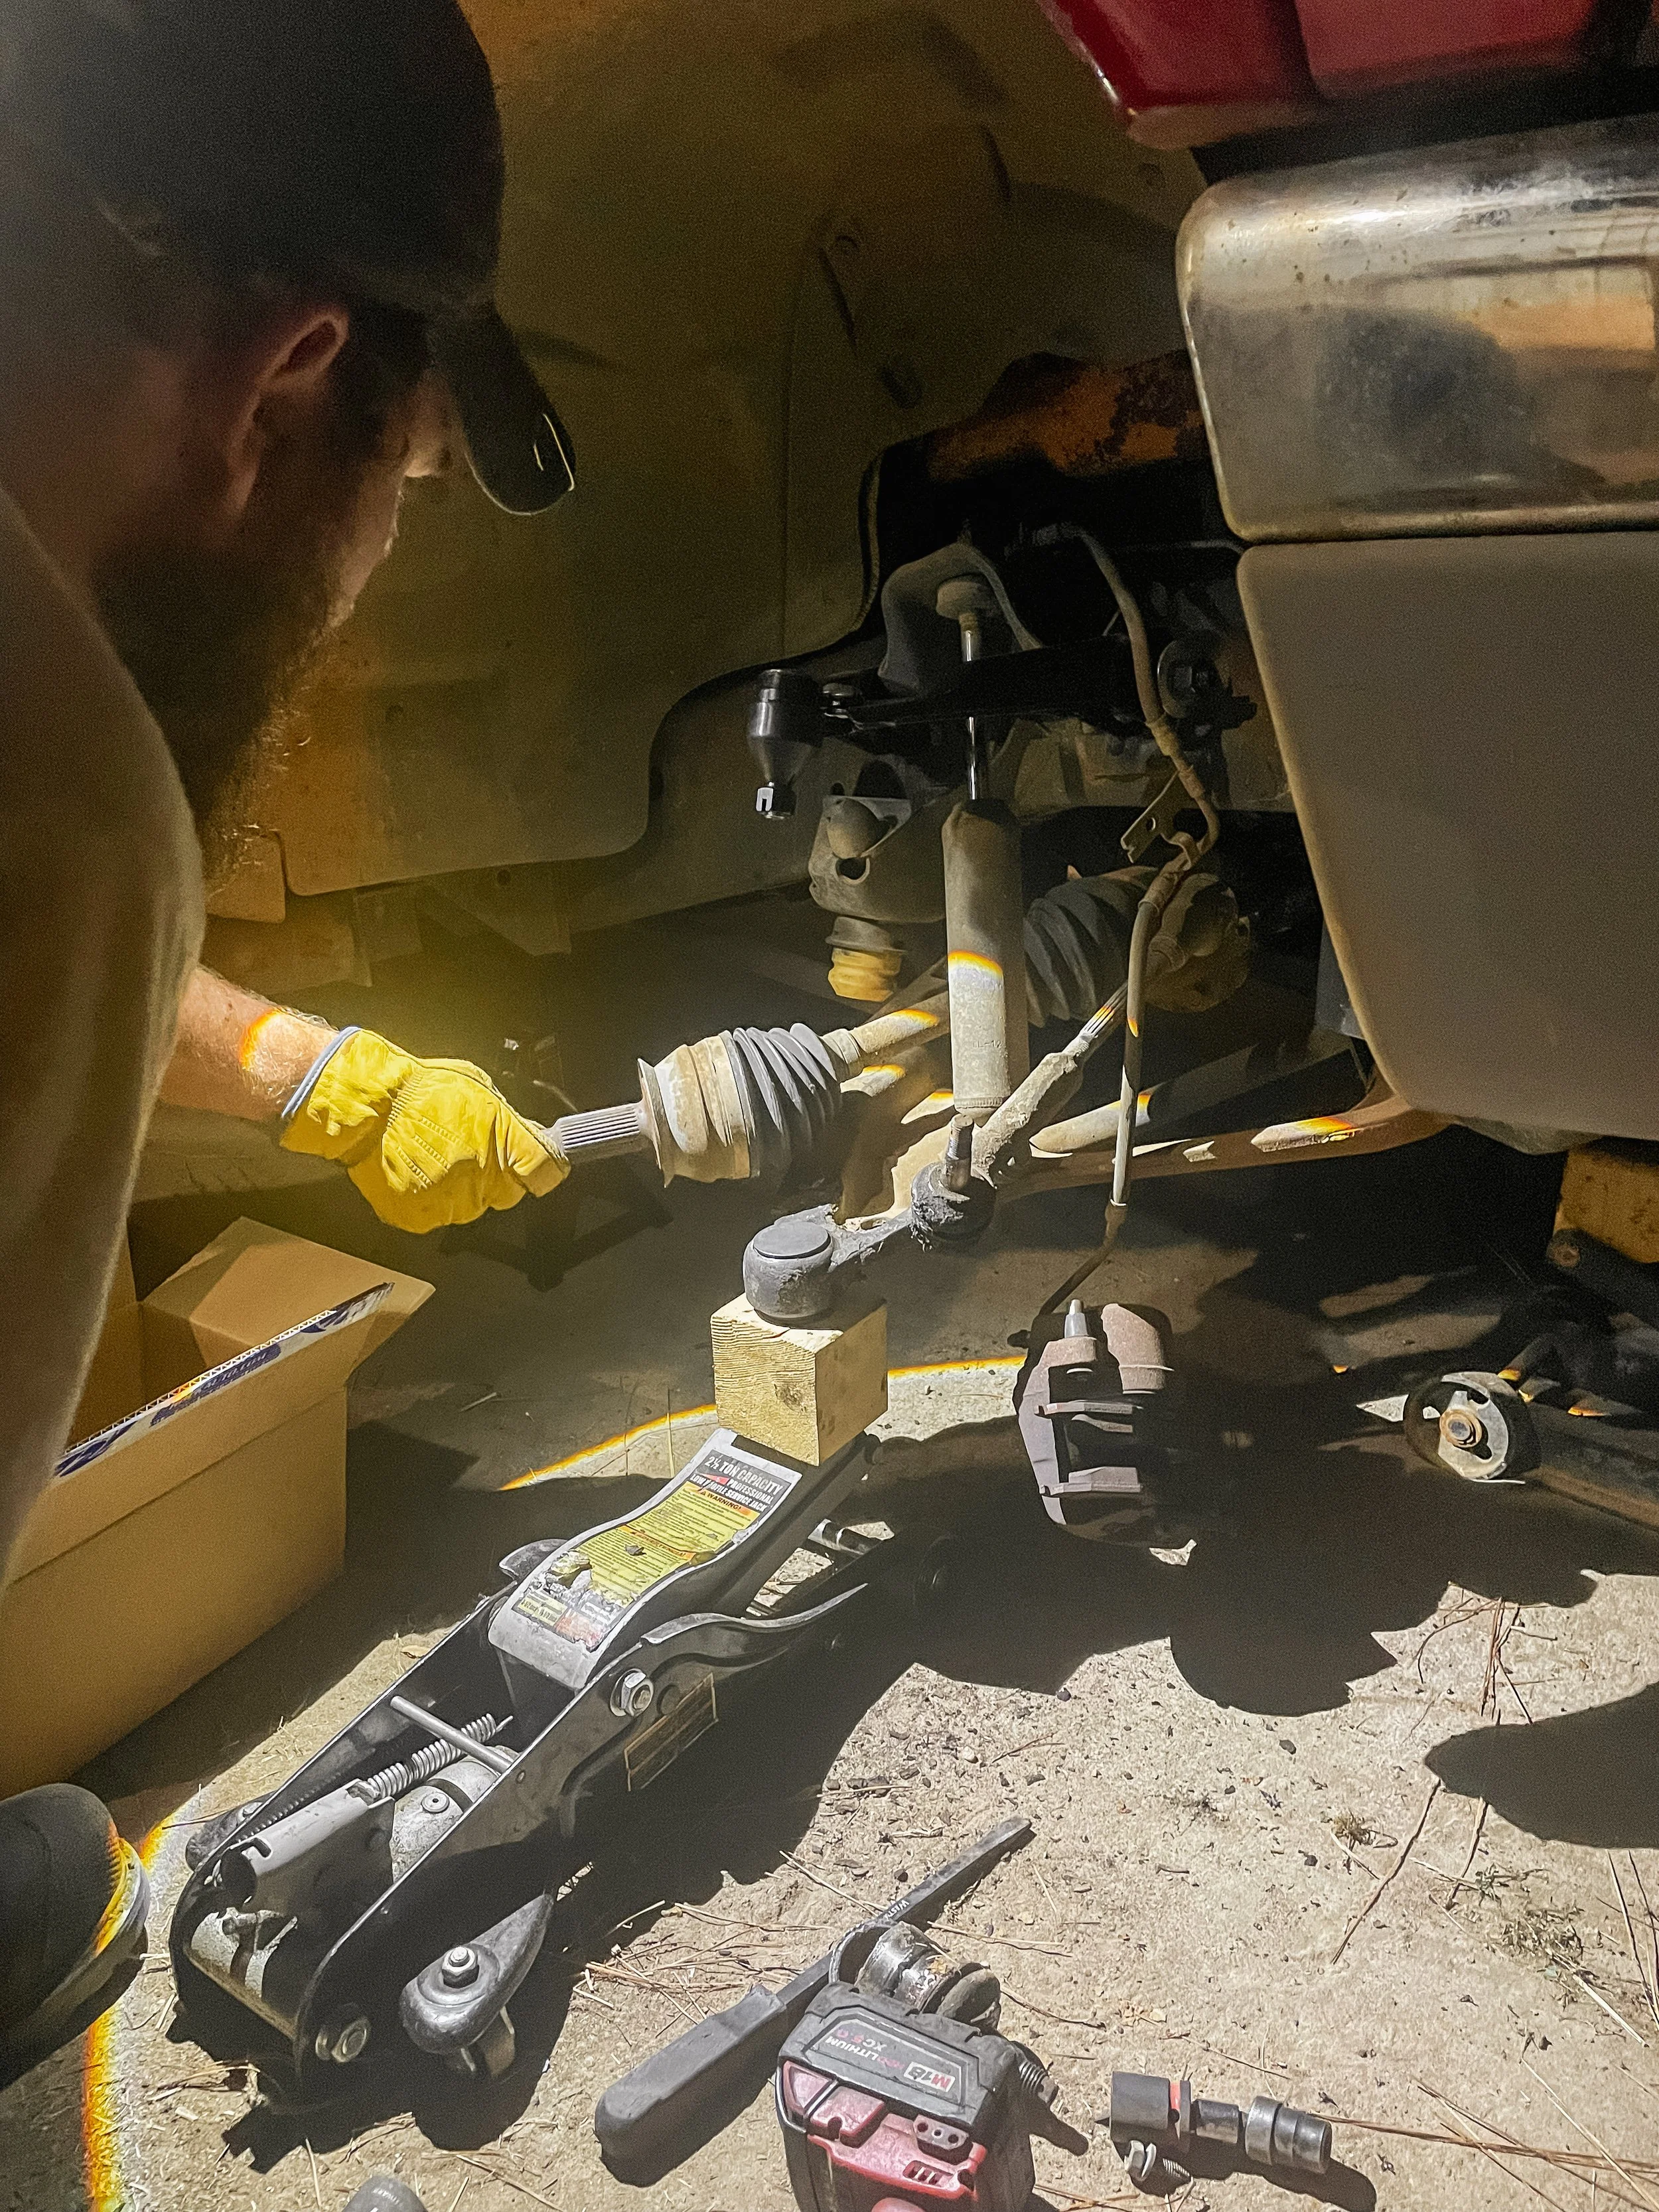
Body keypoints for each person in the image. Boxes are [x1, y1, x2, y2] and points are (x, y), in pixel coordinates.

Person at [0, 0, 575, 2077]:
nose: (369, 569)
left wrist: (316, 1077)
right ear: (291, 373)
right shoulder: (54, 770)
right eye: (406, 485)